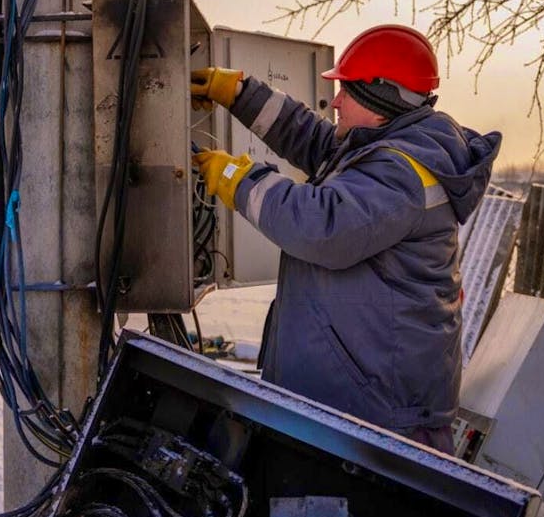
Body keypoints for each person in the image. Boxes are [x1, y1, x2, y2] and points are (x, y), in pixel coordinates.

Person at [190, 24, 499, 454]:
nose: (334, 101)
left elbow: (320, 228)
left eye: (347, 91)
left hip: (382, 425)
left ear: (381, 98)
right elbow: (312, 139)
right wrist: (241, 93)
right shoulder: (388, 144)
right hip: (354, 405)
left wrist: (237, 179)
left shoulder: (403, 173)